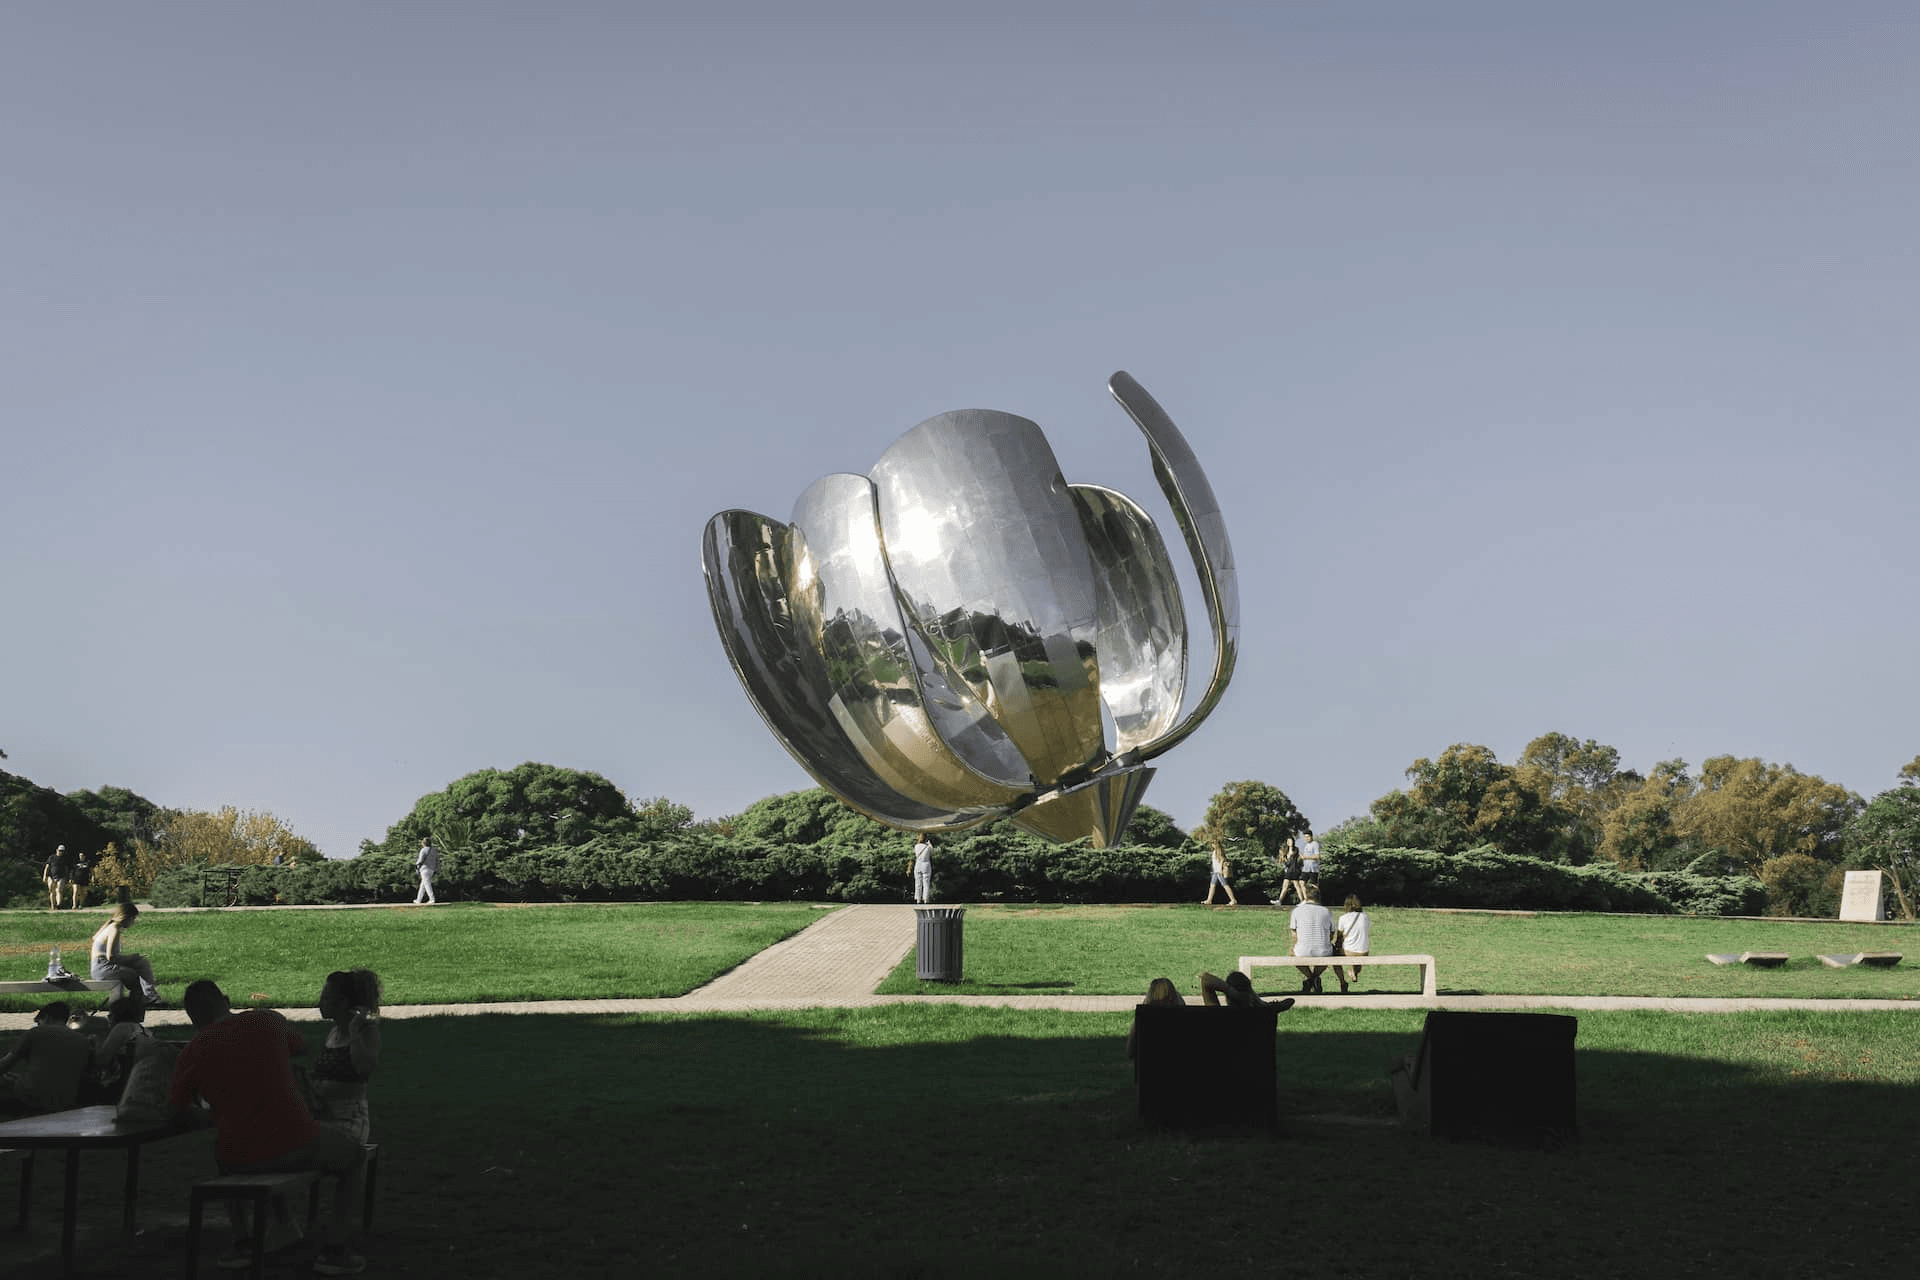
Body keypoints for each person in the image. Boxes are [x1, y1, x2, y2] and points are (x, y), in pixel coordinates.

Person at [170, 980, 369, 1276]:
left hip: (240, 1156)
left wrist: (208, 1117)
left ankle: (243, 1240)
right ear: (225, 1000)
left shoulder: (193, 1051)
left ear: (192, 1017)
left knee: (222, 1153)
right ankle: (336, 1249)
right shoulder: (266, 1020)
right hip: (296, 1141)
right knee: (353, 1156)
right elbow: (301, 1046)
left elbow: (174, 1110)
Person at [309, 969, 383, 1144]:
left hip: (348, 1121)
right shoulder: (333, 1032)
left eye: (327, 998)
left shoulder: (366, 1031)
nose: (320, 1003)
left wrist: (354, 1032)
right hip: (324, 1116)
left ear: (343, 1003)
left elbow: (364, 1069)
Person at [0, 1002, 93, 1114]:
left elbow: (5, 1065)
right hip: (65, 1100)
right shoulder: (83, 1040)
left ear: (47, 1018)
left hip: (29, 1098)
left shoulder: (35, 1033)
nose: (38, 1025)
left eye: (39, 1022)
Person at [91, 901, 165, 1007]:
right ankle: (138, 1005)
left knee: (142, 963)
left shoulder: (109, 926)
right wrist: (132, 958)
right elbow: (111, 957)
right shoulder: (114, 929)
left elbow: (95, 940)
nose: (133, 922)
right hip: (103, 968)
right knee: (135, 976)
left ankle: (149, 998)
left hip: (100, 967)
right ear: (126, 917)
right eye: (132, 919)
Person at [1289, 888, 1336, 994]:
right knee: (1330, 952)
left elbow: (1294, 935)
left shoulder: (1296, 911)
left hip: (1302, 950)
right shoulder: (1327, 911)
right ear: (1319, 897)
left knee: (1292, 952)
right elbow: (1332, 934)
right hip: (1323, 950)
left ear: (1306, 896)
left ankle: (1309, 978)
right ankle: (1315, 977)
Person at [1333, 894, 1372, 994]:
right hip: (1364, 952)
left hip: (1349, 952)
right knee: (1357, 949)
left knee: (1334, 956)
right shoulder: (1366, 917)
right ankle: (1354, 972)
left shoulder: (1343, 918)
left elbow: (1339, 938)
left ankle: (1342, 981)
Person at [1273, 838, 1307, 907]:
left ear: (1293, 842)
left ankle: (1302, 901)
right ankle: (1279, 901)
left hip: (1294, 870)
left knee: (1297, 886)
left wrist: (1287, 853)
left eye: (1290, 841)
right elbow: (1286, 862)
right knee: (1285, 886)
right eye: (1288, 841)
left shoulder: (1296, 849)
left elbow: (1293, 856)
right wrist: (1283, 858)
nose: (1289, 842)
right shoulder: (1285, 851)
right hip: (1288, 871)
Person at [1203, 841, 1238, 907]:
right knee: (1212, 886)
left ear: (1217, 844)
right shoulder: (1215, 851)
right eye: (1212, 844)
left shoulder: (1219, 851)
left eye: (1213, 843)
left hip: (1218, 871)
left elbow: (1222, 860)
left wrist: (1220, 870)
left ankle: (1233, 900)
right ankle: (1209, 900)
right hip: (1215, 872)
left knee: (1225, 885)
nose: (1212, 845)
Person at [44, 844, 73, 910]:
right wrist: (45, 876)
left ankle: (58, 904)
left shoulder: (65, 859)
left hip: (61, 876)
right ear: (57, 850)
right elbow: (47, 867)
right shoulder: (51, 857)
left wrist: (68, 877)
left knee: (59, 890)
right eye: (60, 851)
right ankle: (52, 906)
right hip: (51, 876)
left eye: (62, 851)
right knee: (52, 891)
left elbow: (67, 868)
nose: (61, 852)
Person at [413, 837, 440, 905]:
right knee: (423, 885)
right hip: (431, 869)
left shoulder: (423, 850)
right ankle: (418, 900)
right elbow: (437, 860)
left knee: (427, 884)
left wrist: (416, 865)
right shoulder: (434, 850)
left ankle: (432, 899)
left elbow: (420, 860)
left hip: (424, 869)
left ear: (423, 843)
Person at [910, 835, 935, 904]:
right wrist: (929, 844)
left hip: (918, 864)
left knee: (918, 883)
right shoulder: (928, 846)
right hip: (926, 864)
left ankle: (918, 899)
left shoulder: (916, 846)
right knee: (926, 883)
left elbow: (915, 854)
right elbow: (932, 853)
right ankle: (925, 899)